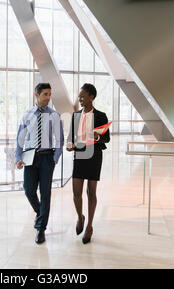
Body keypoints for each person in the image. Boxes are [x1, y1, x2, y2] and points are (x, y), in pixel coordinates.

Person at [14, 83, 64, 244]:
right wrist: (18, 158)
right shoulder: (27, 115)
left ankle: (41, 228)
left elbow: (60, 139)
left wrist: (54, 159)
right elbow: (20, 140)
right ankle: (40, 212)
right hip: (30, 157)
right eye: (45, 94)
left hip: (47, 157)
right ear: (36, 95)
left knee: (46, 193)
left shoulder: (54, 115)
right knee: (28, 190)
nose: (48, 98)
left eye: (50, 94)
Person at [66, 83, 110, 244]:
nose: (80, 99)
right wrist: (69, 144)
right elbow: (71, 136)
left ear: (91, 97)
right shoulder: (75, 115)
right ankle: (80, 217)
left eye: (83, 96)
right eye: (79, 97)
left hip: (94, 157)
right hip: (79, 157)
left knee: (91, 193)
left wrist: (97, 137)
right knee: (76, 193)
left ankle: (90, 226)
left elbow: (107, 138)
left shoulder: (101, 116)